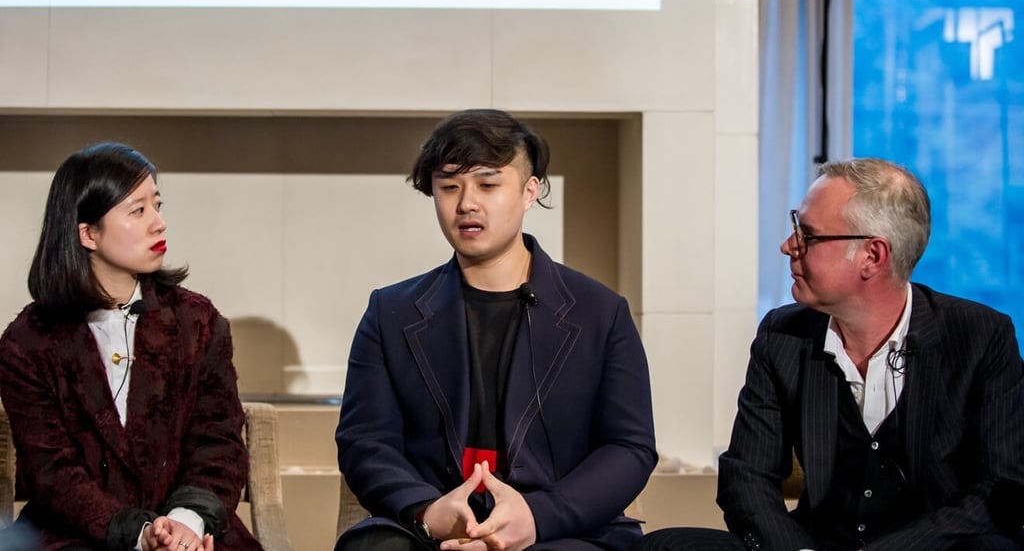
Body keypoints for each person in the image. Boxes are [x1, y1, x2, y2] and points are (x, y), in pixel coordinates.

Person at [634, 158, 1024, 551]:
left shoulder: (980, 336)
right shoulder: (782, 335)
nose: (788, 246)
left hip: (932, 548)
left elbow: (1000, 488)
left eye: (809, 235)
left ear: (873, 256)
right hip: (814, 544)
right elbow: (746, 477)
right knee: (665, 546)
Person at [334, 109, 657, 551]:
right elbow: (364, 442)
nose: (466, 203)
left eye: (488, 184)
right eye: (449, 186)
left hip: (558, 531)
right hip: (430, 526)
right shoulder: (390, 312)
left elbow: (629, 447)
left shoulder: (600, 312)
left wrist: (539, 516)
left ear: (530, 191)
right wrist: (429, 511)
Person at [0, 143, 261, 550]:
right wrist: (139, 535)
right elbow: (53, 472)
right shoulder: (28, 340)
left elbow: (218, 443)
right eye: (138, 211)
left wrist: (185, 524)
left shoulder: (197, 321)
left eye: (157, 206)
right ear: (88, 233)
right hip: (78, 533)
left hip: (191, 531)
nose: (159, 224)